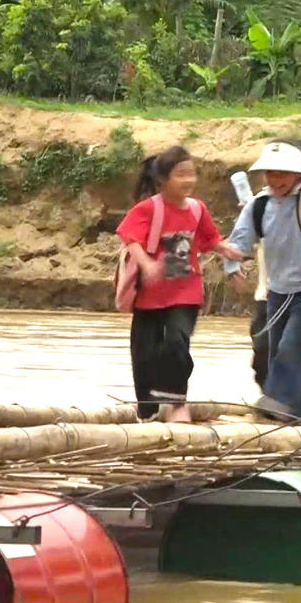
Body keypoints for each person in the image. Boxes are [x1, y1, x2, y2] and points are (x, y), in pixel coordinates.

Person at [117, 147, 241, 422]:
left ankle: (175, 402)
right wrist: (148, 265)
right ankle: (147, 411)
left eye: (191, 174)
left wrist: (225, 250)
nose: (188, 180)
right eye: (180, 175)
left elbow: (209, 239)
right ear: (162, 179)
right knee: (144, 353)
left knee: (177, 340)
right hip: (150, 294)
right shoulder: (150, 207)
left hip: (185, 290)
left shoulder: (197, 209)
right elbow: (128, 235)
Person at [225, 142, 301, 421]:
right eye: (270, 173)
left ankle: (276, 401)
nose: (276, 180)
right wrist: (231, 264)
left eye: (282, 173)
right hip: (276, 293)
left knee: (292, 347)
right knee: (275, 353)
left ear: (297, 174)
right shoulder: (259, 203)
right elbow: (240, 238)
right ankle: (294, 413)